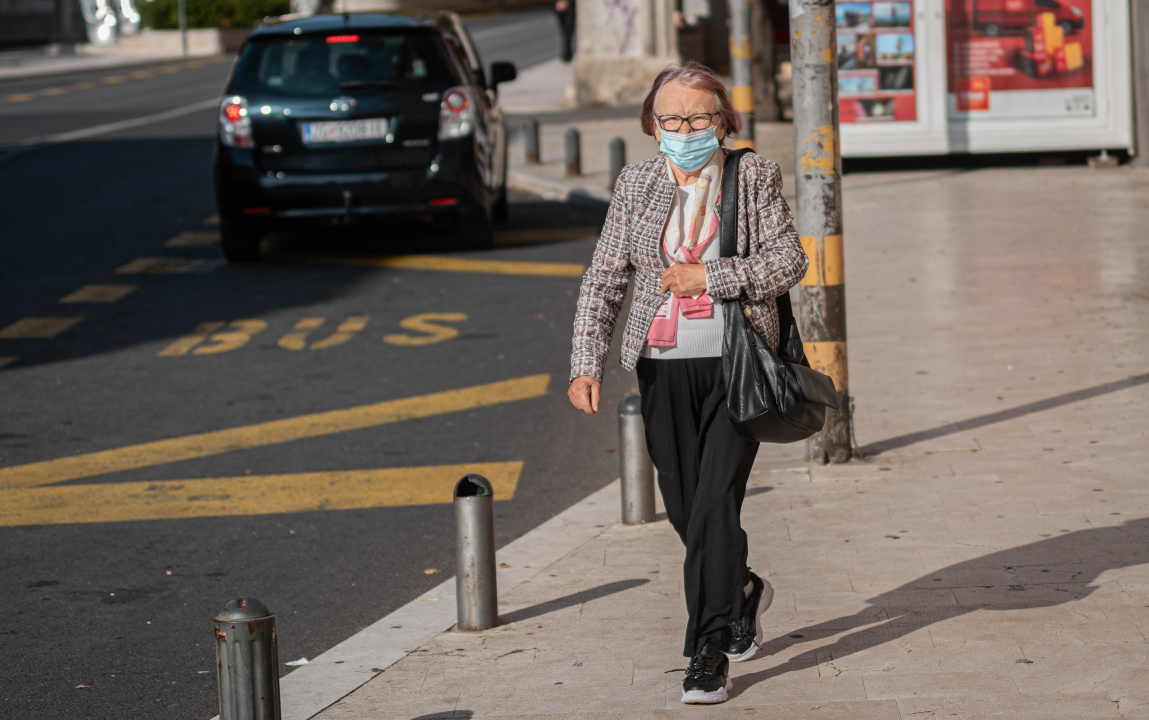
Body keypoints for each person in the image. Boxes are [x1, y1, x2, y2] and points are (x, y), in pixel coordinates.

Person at [567, 62, 808, 704]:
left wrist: (713, 277)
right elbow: (605, 275)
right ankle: (743, 589)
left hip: (739, 363)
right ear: (652, 124)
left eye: (700, 118)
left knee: (713, 504)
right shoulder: (637, 182)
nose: (685, 129)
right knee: (683, 507)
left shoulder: (752, 174)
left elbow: (789, 258)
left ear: (724, 121)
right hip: (662, 365)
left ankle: (708, 648)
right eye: (671, 118)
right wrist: (585, 362)